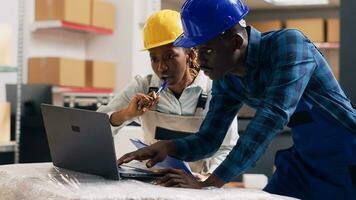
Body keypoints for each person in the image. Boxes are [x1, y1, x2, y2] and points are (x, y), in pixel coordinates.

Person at [118, 0, 356, 199]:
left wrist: (208, 184)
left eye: (205, 50)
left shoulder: (289, 46)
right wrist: (168, 147)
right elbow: (209, 139)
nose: (198, 60)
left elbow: (271, 118)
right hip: (304, 158)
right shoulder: (227, 76)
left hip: (348, 154)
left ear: (235, 42)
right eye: (196, 50)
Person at [97, 9, 238, 183]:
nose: (161, 67)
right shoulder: (143, 86)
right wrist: (126, 114)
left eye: (170, 56)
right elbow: (96, 130)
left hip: (198, 187)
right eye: (154, 59)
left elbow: (228, 147)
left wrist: (207, 179)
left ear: (190, 54)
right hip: (154, 182)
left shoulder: (214, 89)